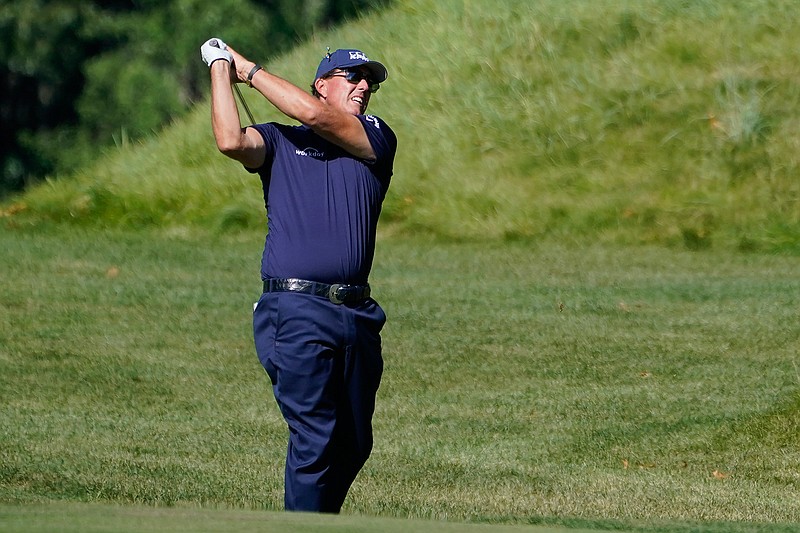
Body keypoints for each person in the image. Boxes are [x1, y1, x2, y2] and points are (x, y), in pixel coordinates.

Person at [200, 38, 397, 514]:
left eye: (369, 79)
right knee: (315, 439)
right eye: (353, 77)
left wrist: (250, 70)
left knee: (353, 443)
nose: (364, 85)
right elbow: (230, 140)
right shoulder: (279, 141)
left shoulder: (374, 136)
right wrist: (222, 69)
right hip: (297, 310)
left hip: (357, 313)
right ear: (321, 84)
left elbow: (317, 117)